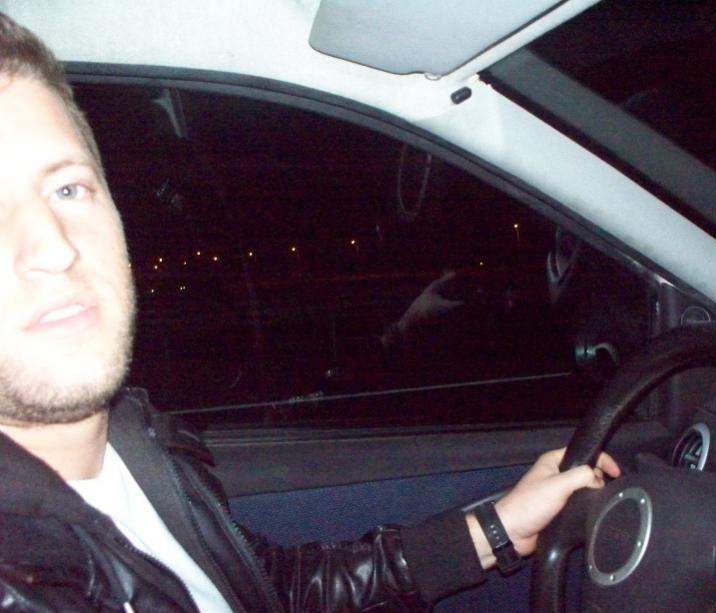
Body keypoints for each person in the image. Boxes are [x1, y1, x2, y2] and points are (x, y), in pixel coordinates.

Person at [0, 12, 620, 612]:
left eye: (67, 189)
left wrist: (496, 528)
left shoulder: (134, 444)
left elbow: (269, 592)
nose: (52, 247)